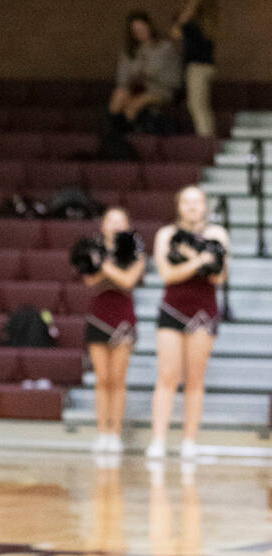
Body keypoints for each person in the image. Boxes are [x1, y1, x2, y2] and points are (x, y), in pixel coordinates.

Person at [147, 186, 230, 461]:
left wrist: (193, 259)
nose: (193, 206)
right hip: (172, 307)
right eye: (187, 201)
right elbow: (168, 274)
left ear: (205, 205)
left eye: (198, 202)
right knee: (168, 375)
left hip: (204, 311)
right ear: (178, 206)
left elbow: (219, 277)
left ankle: (189, 441)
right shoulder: (166, 235)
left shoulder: (217, 234)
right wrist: (200, 261)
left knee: (195, 379)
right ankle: (158, 440)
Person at [77, 208, 146, 454]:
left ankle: (115, 432)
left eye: (121, 221)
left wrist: (105, 267)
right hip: (99, 314)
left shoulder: (135, 250)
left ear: (127, 226)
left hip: (124, 316)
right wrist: (109, 270)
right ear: (103, 226)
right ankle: (102, 432)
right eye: (111, 221)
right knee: (102, 378)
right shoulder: (92, 248)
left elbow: (129, 281)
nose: (115, 225)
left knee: (118, 379)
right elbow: (90, 281)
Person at [108, 12, 182, 133]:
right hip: (135, 89)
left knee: (133, 105)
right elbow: (123, 77)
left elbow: (159, 73)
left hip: (161, 90)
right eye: (136, 31)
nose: (140, 33)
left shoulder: (164, 47)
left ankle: (131, 135)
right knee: (119, 94)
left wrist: (141, 72)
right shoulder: (130, 51)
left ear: (149, 27)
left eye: (142, 29)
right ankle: (113, 135)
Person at [169, 0, 218, 137]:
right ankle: (208, 136)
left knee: (196, 105)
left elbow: (174, 33)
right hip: (207, 66)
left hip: (197, 67)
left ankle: (206, 138)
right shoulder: (208, 23)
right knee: (201, 105)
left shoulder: (194, 24)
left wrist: (184, 15)